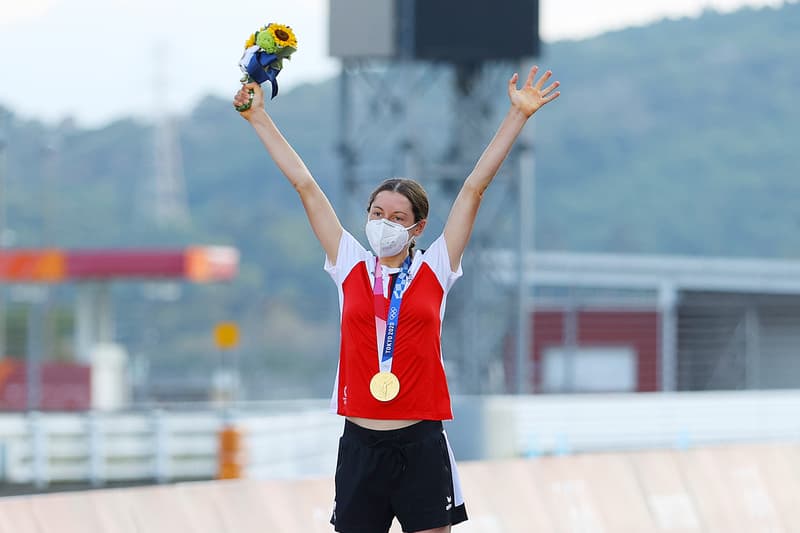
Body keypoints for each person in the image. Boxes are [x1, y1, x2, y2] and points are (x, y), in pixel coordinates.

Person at [233, 65, 560, 533]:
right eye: (376, 212)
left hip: (421, 443)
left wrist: (517, 117)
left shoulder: (436, 267)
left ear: (417, 228)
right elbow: (305, 186)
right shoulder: (348, 263)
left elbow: (474, 188)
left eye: (396, 216)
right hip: (360, 445)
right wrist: (258, 118)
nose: (383, 222)